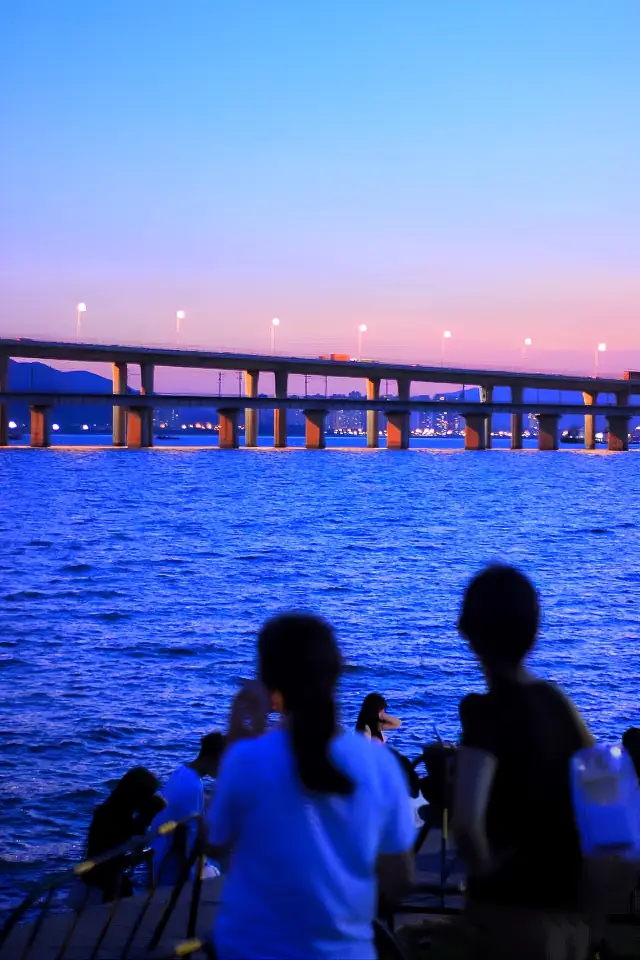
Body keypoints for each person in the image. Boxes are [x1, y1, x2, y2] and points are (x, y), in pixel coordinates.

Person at [206, 613, 415, 960]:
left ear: (270, 687)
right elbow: (398, 880)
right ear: (336, 672)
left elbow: (212, 842)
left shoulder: (248, 760)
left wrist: (236, 741)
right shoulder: (380, 764)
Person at [452, 564, 593, 960]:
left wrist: (486, 880)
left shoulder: (486, 712)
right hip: (568, 909)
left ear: (470, 632)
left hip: (511, 915)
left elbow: (465, 822)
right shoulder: (559, 704)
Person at [80, 767, 163, 904]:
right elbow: (108, 860)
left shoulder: (111, 812)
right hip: (103, 886)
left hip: (100, 879)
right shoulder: (116, 819)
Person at [151, 732, 226, 885]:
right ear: (217, 758)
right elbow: (181, 840)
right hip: (171, 869)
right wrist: (187, 883)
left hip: (159, 856)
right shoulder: (193, 787)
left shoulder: (182, 773)